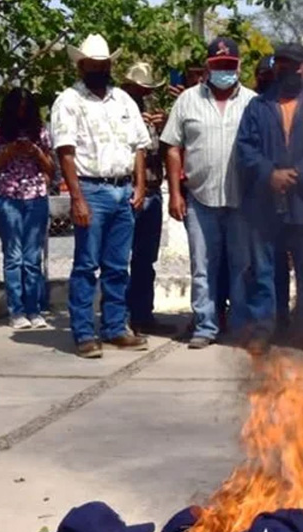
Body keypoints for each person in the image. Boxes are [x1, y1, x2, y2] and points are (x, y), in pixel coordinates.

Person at [51, 34, 151, 359]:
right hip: (90, 189)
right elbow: (65, 152)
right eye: (93, 64)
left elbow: (139, 145)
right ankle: (83, 333)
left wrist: (139, 185)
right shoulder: (68, 101)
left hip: (123, 189)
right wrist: (76, 197)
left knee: (117, 266)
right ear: (81, 66)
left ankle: (114, 327)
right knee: (86, 265)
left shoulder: (124, 100)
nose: (99, 69)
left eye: (103, 64)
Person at [236, 43, 303, 354]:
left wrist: (298, 173)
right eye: (281, 64)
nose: (286, 69)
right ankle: (266, 330)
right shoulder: (258, 106)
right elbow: (245, 149)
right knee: (264, 271)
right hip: (265, 203)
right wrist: (270, 173)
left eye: (293, 64)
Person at [161, 37, 257, 350]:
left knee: (241, 267)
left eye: (230, 65)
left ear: (239, 66)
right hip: (199, 198)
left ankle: (240, 325)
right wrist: (175, 193)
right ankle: (205, 325)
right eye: (218, 66)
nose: (225, 71)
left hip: (242, 200)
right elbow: (172, 147)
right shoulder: (187, 100)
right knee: (201, 267)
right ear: (208, 67)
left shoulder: (253, 103)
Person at [0, 88, 55, 331]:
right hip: (7, 196)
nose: (22, 114)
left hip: (36, 196)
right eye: (18, 109)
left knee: (33, 258)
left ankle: (34, 310)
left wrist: (35, 151)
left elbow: (51, 168)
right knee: (13, 257)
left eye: (26, 109)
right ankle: (17, 311)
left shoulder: (41, 133)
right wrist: (9, 151)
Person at [120, 62, 175, 337]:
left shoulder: (150, 108)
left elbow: (165, 150)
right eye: (138, 88)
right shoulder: (118, 110)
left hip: (153, 190)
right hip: (127, 192)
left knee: (145, 259)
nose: (142, 93)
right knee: (119, 259)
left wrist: (164, 126)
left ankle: (143, 314)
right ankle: (121, 317)